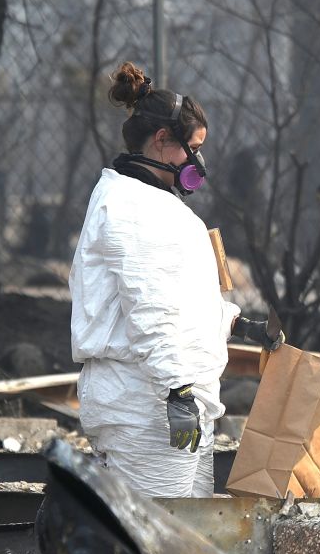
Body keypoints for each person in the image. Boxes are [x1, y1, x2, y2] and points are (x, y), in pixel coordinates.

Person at [70, 62, 283, 498]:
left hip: (172, 402)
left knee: (188, 535)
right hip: (147, 408)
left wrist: (236, 324)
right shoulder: (133, 210)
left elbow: (181, 300)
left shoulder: (152, 204)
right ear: (162, 140)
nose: (197, 162)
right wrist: (176, 390)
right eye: (192, 148)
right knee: (158, 540)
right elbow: (151, 310)